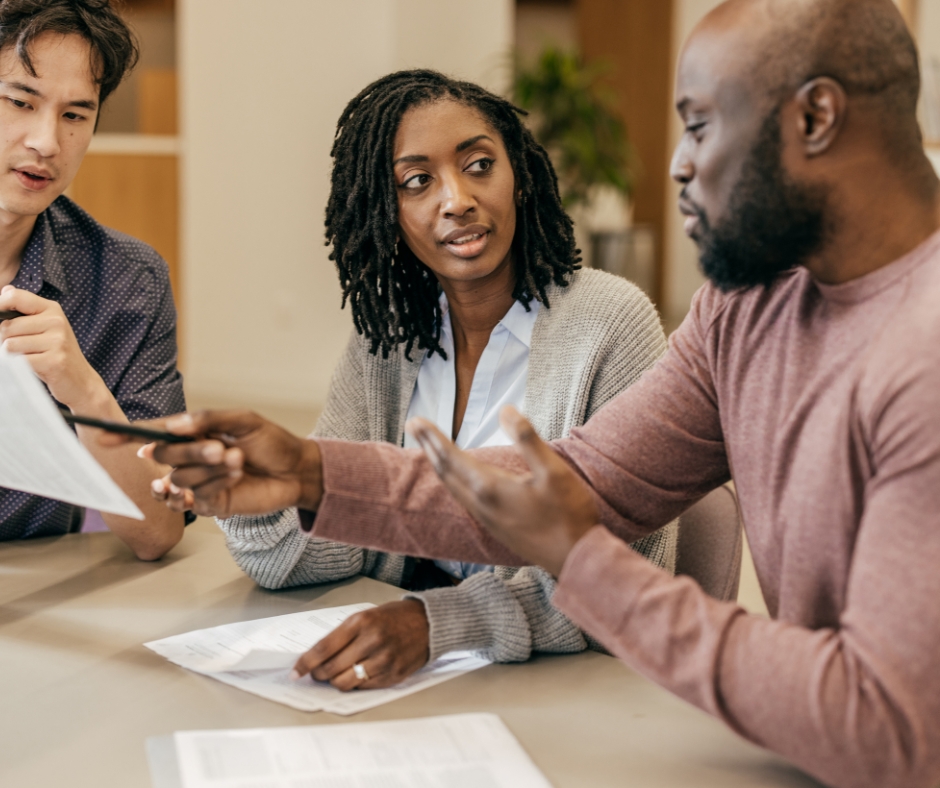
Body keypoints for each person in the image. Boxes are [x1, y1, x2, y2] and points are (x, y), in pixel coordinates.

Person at [117, 0, 940, 785]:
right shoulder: (747, 307)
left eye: (697, 125)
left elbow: (885, 727)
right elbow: (566, 485)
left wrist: (580, 564)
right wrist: (310, 473)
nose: (678, 163)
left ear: (816, 118)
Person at [201, 70, 678, 688]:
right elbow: (336, 550)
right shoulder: (388, 338)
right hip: (415, 682)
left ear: (521, 176)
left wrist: (441, 622)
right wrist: (261, 503)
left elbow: (626, 576)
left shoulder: (612, 323)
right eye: (418, 181)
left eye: (479, 165)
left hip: (569, 689)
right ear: (386, 211)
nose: (456, 199)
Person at [0, 0, 186, 559]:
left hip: (37, 593)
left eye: (75, 115)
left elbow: (158, 532)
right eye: (19, 102)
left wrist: (82, 389)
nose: (47, 142)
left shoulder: (128, 281)